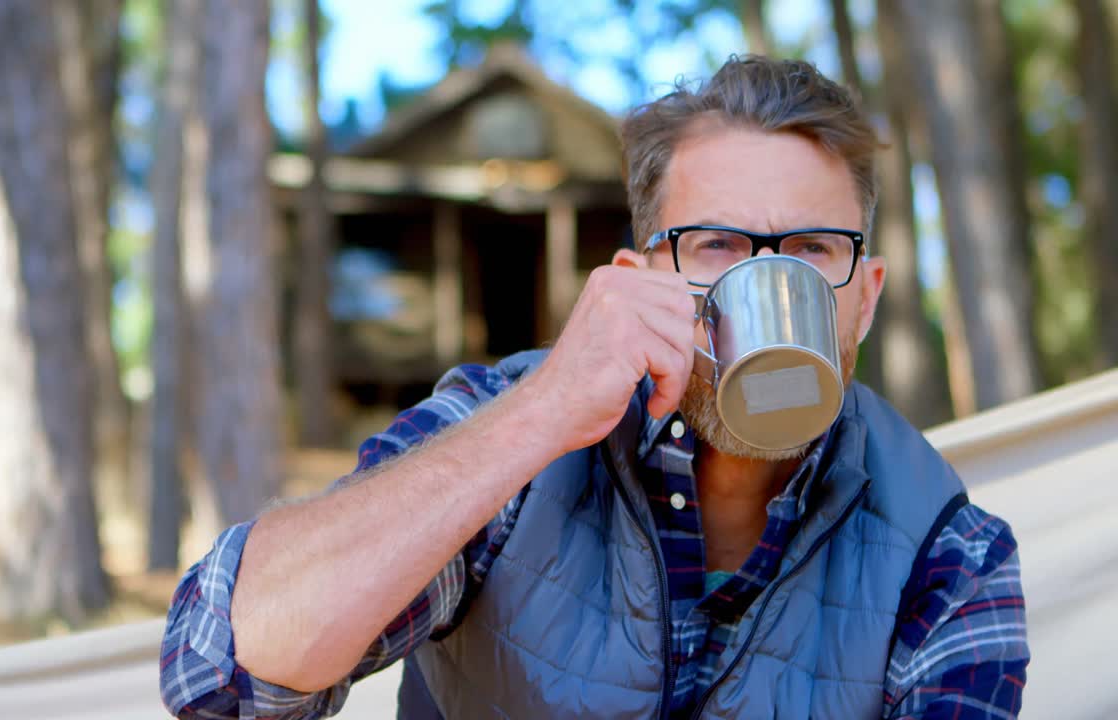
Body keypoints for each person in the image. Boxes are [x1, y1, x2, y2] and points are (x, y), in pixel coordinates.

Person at [159, 56, 1029, 719]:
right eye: (715, 245)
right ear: (637, 277)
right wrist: (537, 416)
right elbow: (221, 675)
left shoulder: (948, 554)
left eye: (811, 251)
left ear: (864, 298)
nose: (767, 281)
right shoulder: (503, 439)